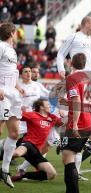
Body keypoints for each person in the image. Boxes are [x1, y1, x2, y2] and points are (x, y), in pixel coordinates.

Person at [61, 53, 91, 193]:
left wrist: (75, 124)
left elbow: (77, 102)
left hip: (79, 123)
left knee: (68, 158)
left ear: (70, 63)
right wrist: (67, 102)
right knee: (70, 157)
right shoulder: (89, 79)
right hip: (88, 123)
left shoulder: (72, 78)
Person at [11, 98, 63, 182]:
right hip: (28, 143)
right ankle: (5, 168)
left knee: (51, 174)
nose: (50, 107)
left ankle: (22, 175)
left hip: (36, 151)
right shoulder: (32, 115)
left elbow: (64, 123)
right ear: (42, 107)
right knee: (17, 153)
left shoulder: (53, 118)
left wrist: (65, 114)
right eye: (48, 105)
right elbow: (15, 115)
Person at [0, 22, 22, 188]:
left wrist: (18, 86)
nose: (17, 35)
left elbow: (11, 73)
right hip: (2, 93)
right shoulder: (0, 46)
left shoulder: (12, 51)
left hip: (13, 94)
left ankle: (4, 170)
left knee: (14, 133)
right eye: (16, 32)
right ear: (12, 33)